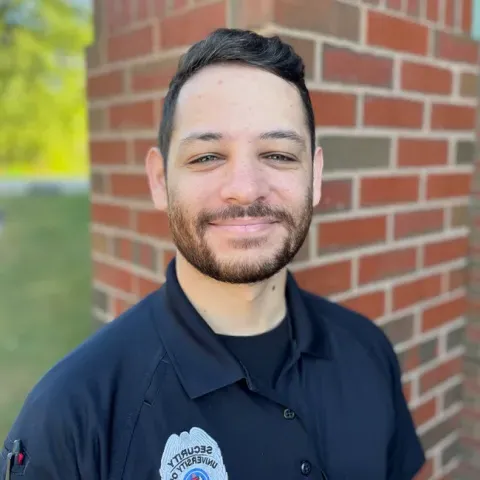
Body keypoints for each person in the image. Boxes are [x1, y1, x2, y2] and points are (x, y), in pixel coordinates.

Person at [0, 28, 425, 480]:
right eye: (206, 157)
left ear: (315, 177)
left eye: (279, 154)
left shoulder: (367, 350)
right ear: (160, 181)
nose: (244, 186)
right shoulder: (71, 415)